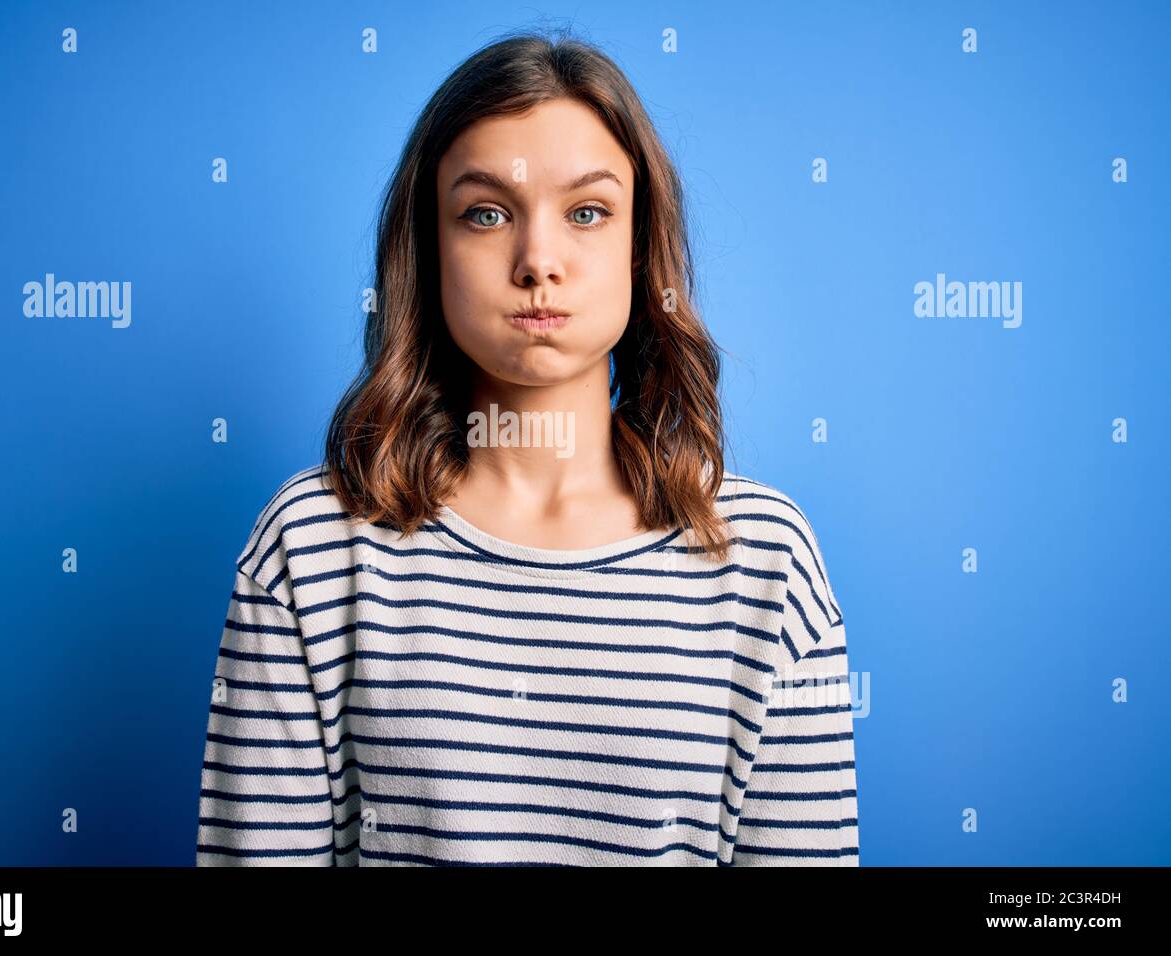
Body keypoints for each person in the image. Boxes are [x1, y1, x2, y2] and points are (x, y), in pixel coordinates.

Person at [196, 28, 858, 866]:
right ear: (429, 251)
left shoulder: (765, 560)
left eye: (587, 212)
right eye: (486, 213)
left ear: (638, 246)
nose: (538, 260)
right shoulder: (311, 546)